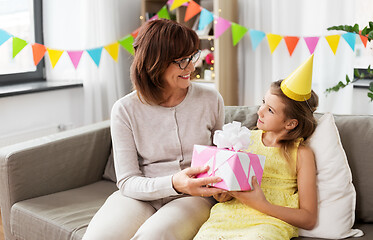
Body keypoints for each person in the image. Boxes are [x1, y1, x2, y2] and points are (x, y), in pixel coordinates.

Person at [83, 19, 225, 240]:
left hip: (193, 197)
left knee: (154, 236)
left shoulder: (210, 99)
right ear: (155, 63)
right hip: (139, 195)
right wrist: (172, 183)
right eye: (181, 61)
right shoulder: (125, 109)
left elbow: (221, 156)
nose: (190, 67)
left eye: (192, 56)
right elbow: (128, 181)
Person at [194, 55, 319, 240]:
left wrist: (262, 205)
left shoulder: (301, 154)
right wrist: (222, 194)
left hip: (269, 222)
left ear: (290, 124)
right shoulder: (243, 139)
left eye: (270, 110)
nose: (259, 111)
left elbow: (309, 218)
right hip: (227, 217)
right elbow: (228, 191)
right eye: (263, 102)